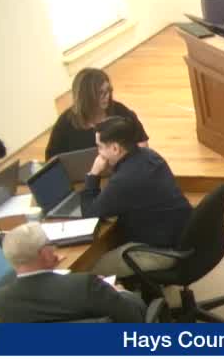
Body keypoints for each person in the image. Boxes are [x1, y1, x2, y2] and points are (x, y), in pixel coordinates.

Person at [81, 117, 193, 277]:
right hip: (183, 236)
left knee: (91, 272)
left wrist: (93, 174)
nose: (98, 153)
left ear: (115, 148)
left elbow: (89, 215)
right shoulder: (150, 155)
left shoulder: (123, 180)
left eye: (100, 147)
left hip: (162, 251)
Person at [0, 223, 147, 322]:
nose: (54, 248)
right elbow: (135, 317)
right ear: (44, 254)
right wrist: (118, 292)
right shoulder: (85, 285)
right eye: (51, 245)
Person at [45, 68, 149, 160]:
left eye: (108, 91)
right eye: (101, 93)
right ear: (86, 96)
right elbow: (52, 159)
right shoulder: (66, 122)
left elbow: (141, 142)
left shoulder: (120, 111)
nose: (107, 96)